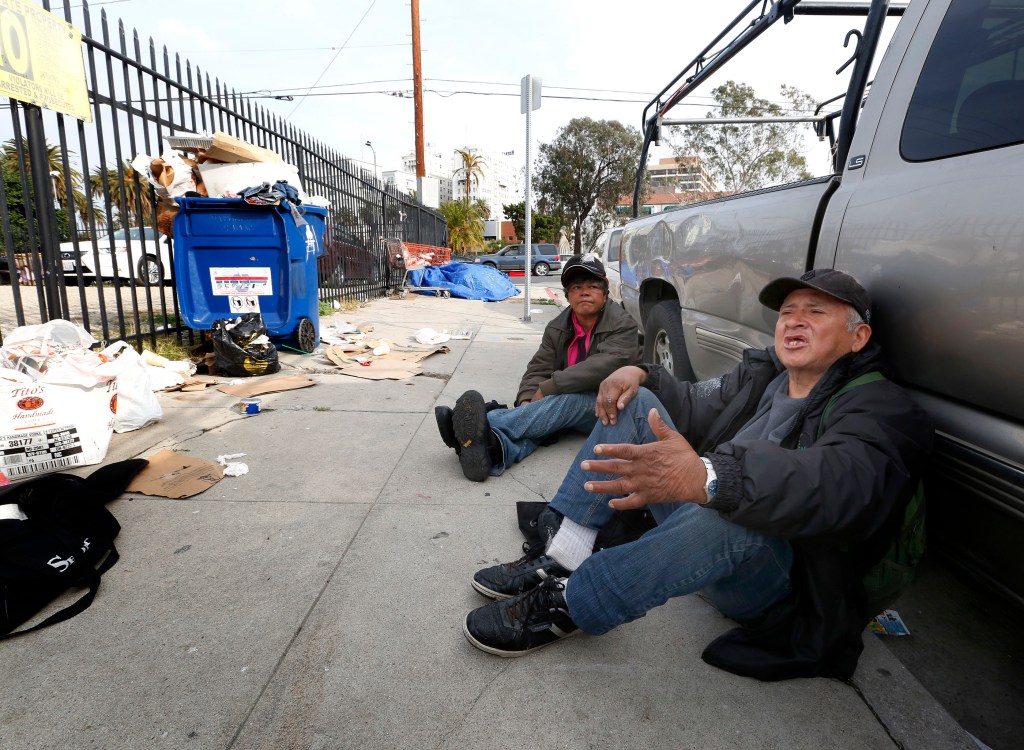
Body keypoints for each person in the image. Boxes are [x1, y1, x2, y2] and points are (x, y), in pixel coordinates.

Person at [462, 269, 934, 681]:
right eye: (788, 311)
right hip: (704, 518)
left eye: (816, 312)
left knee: (731, 511)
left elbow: (840, 484)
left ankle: (573, 603)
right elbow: (691, 402)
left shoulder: (880, 407)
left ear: (858, 338)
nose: (794, 320)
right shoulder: (763, 375)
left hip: (778, 580)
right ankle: (564, 553)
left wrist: (713, 477)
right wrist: (639, 372)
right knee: (638, 405)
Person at [436, 254, 641, 482]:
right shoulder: (557, 327)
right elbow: (538, 368)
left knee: (564, 401)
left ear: (604, 293)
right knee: (542, 424)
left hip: (610, 405)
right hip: (561, 405)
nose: (585, 292)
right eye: (576, 287)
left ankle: (482, 424)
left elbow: (602, 366)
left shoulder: (623, 324)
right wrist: (526, 402)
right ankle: (493, 448)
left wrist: (548, 388)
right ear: (568, 295)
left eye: (593, 286)